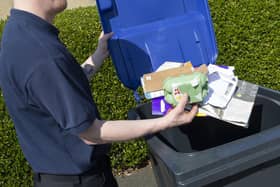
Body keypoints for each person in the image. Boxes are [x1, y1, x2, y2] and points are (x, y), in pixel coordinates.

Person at [0, 0, 198, 186]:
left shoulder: (20, 33)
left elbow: (59, 88)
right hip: (79, 181)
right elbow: (91, 133)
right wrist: (164, 122)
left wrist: (97, 57)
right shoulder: (42, 53)